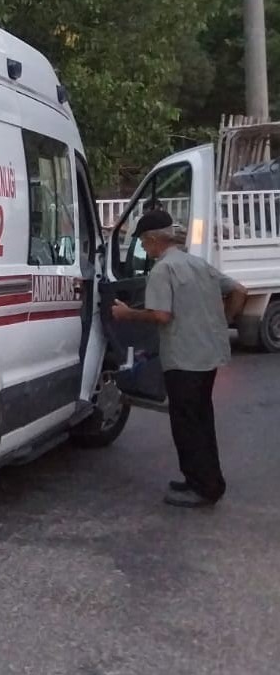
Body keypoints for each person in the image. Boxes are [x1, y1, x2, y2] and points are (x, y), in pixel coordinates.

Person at [112, 209, 246, 508]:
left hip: (183, 359)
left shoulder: (163, 270)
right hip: (207, 356)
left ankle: (201, 487)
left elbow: (161, 314)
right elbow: (239, 291)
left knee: (186, 424)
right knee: (201, 419)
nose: (144, 250)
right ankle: (207, 480)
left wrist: (126, 313)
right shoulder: (197, 264)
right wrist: (223, 321)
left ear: (153, 239)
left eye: (144, 244)